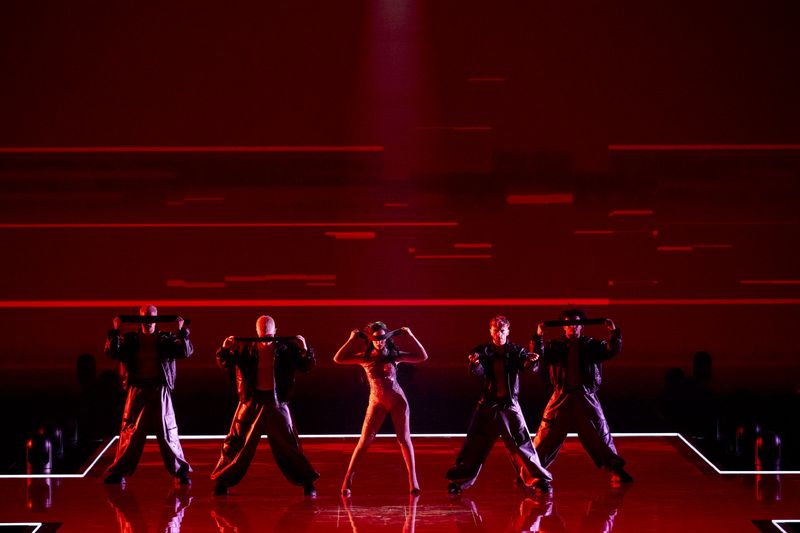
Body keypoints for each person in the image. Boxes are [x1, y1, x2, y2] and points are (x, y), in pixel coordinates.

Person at [211, 315, 319, 496]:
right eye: (263, 334)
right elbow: (224, 363)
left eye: (268, 334)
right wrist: (224, 349)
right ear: (257, 332)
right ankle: (223, 479)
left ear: (275, 332)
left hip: (277, 402)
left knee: (289, 443)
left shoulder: (286, 349)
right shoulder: (245, 348)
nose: (266, 338)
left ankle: (307, 481)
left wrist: (305, 349)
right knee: (237, 441)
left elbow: (306, 366)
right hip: (251, 401)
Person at [446, 315, 552, 494]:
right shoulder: (483, 351)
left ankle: (538, 480)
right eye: (496, 331)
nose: (499, 334)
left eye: (502, 331)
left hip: (509, 405)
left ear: (508, 332)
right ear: (491, 332)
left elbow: (526, 364)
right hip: (487, 406)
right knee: (475, 444)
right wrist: (476, 363)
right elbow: (478, 371)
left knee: (522, 443)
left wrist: (531, 361)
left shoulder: (515, 350)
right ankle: (458, 481)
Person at [531, 308, 632, 485]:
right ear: (564, 327)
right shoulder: (556, 346)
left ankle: (616, 469)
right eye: (569, 324)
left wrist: (614, 332)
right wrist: (538, 335)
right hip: (561, 396)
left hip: (585, 396)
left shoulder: (590, 345)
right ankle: (531, 471)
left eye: (577, 324)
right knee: (547, 434)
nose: (573, 327)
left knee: (599, 433)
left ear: (581, 326)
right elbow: (539, 355)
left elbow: (610, 351)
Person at [334, 321, 428, 496]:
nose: (380, 342)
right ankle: (347, 480)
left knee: (404, 439)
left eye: (383, 338)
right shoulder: (365, 357)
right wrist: (351, 339)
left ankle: (413, 480)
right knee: (363, 442)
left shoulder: (393, 355)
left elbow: (422, 356)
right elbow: (338, 359)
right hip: (376, 402)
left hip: (398, 400)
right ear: (371, 340)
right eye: (376, 339)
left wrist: (411, 335)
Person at [103, 304, 192, 485]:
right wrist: (115, 331)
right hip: (137, 389)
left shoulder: (165, 339)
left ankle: (180, 472)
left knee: (168, 431)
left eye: (152, 317)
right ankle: (120, 471)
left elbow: (185, 351)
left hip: (159, 389)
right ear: (141, 318)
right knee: (130, 432)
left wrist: (182, 331)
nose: (149, 322)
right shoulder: (131, 339)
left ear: (156, 318)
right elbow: (113, 353)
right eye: (145, 317)